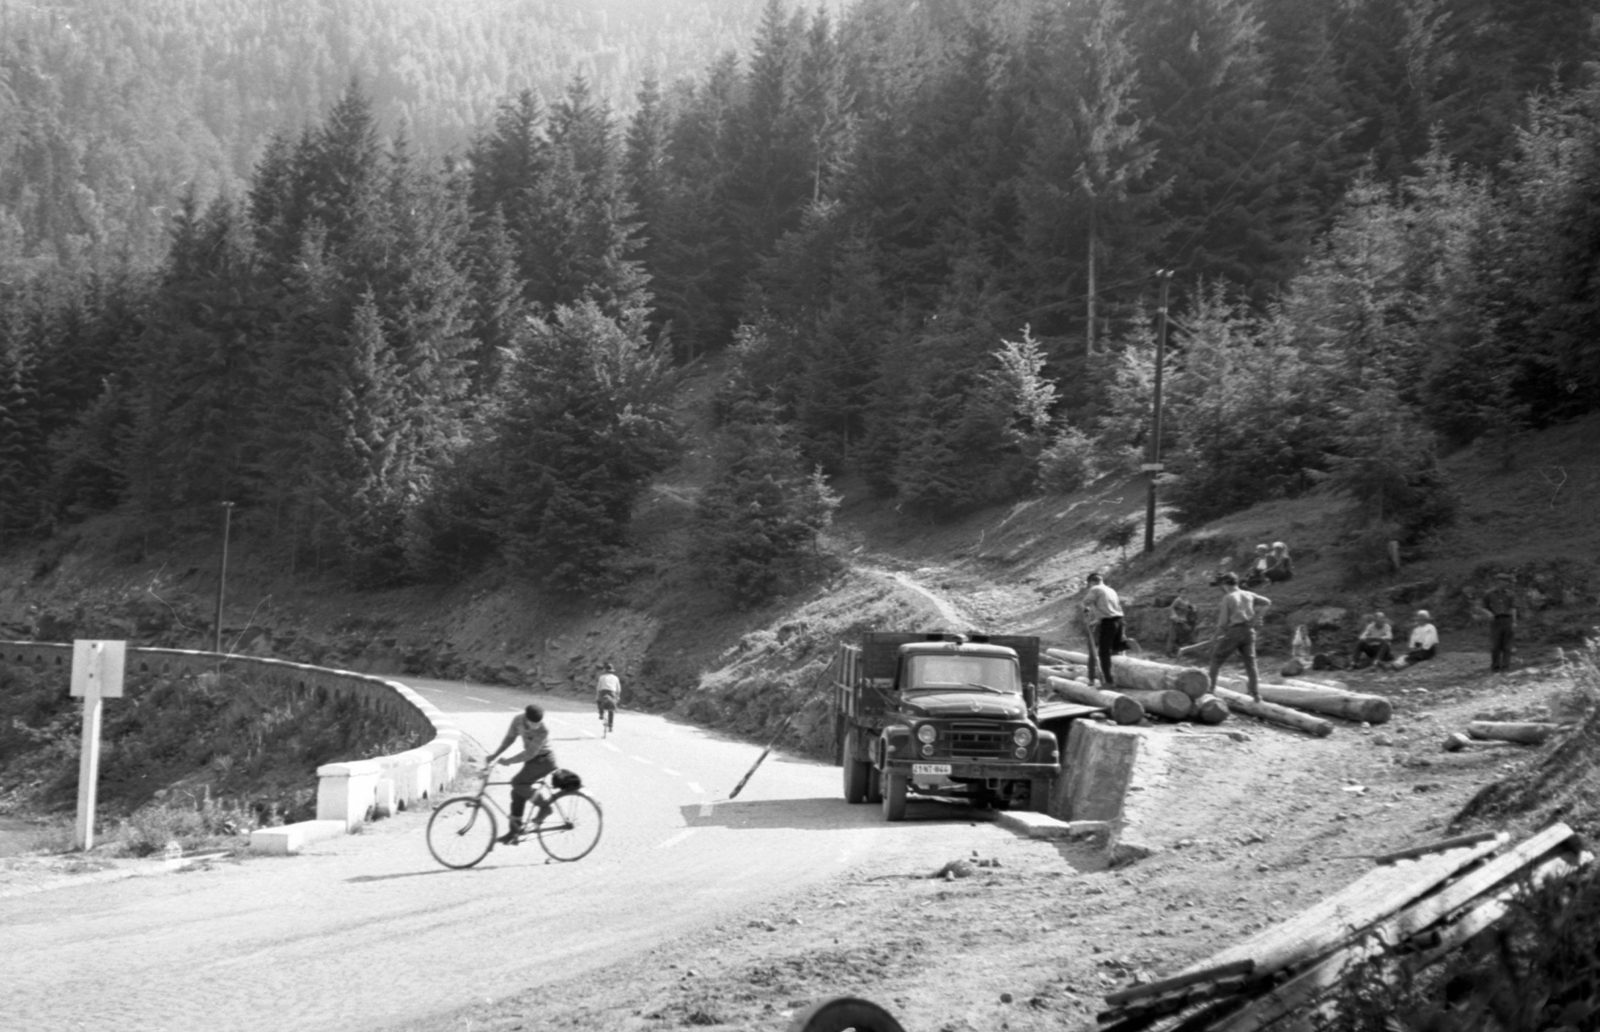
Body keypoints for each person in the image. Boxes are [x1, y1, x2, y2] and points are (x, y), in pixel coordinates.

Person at [486, 704, 557, 844]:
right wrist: (495, 755)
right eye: (532, 723)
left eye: (538, 723)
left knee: (517, 782)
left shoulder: (543, 730)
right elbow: (509, 739)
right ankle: (514, 832)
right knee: (517, 793)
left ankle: (545, 807)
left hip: (544, 761)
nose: (536, 726)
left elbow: (530, 753)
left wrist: (510, 761)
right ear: (526, 718)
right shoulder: (518, 720)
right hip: (532, 761)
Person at [1207, 573, 1272, 701]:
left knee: (1215, 659)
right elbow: (1267, 602)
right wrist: (1257, 618)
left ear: (1225, 585)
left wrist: (1215, 637)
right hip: (1249, 631)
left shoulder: (1228, 597)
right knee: (1251, 664)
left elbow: (1223, 623)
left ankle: (1210, 690)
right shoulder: (1249, 594)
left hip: (1235, 631)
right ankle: (1255, 693)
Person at [1081, 572, 1127, 685]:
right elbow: (1111, 611)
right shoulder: (1111, 590)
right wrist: (1096, 621)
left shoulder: (1095, 589)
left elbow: (1084, 603)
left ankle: (1106, 681)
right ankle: (1119, 678)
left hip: (1107, 623)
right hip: (1119, 621)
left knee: (1102, 653)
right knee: (1115, 650)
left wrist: (1085, 610)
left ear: (1091, 583)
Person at [1482, 574, 1518, 672]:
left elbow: (1513, 608)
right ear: (1499, 582)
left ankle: (1506, 667)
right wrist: (1489, 613)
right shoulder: (1488, 594)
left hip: (1507, 620)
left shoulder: (1510, 594)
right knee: (1495, 646)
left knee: (1507, 646)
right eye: (1505, 581)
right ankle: (1495, 667)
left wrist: (1514, 621)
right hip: (1495, 621)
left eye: (1507, 582)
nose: (1507, 584)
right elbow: (1484, 607)